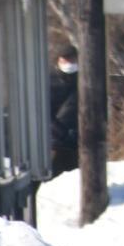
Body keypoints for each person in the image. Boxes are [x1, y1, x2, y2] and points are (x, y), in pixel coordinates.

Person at [47, 45, 79, 175]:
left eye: (72, 59)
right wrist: (62, 134)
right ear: (59, 61)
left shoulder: (84, 80)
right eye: (66, 60)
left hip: (78, 141)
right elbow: (44, 115)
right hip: (55, 142)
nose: (69, 63)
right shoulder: (49, 81)